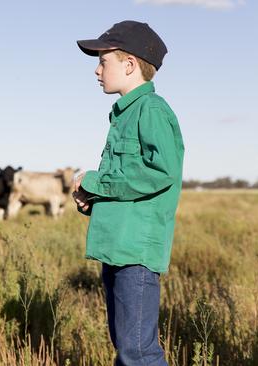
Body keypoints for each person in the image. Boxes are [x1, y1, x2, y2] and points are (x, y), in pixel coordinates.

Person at [73, 20, 185, 365]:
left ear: (130, 65)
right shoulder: (125, 114)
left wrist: (93, 182)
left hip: (135, 252)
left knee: (138, 352)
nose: (96, 70)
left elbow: (160, 172)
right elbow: (129, 182)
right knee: (127, 348)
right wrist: (91, 199)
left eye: (103, 61)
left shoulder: (151, 110)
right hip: (118, 247)